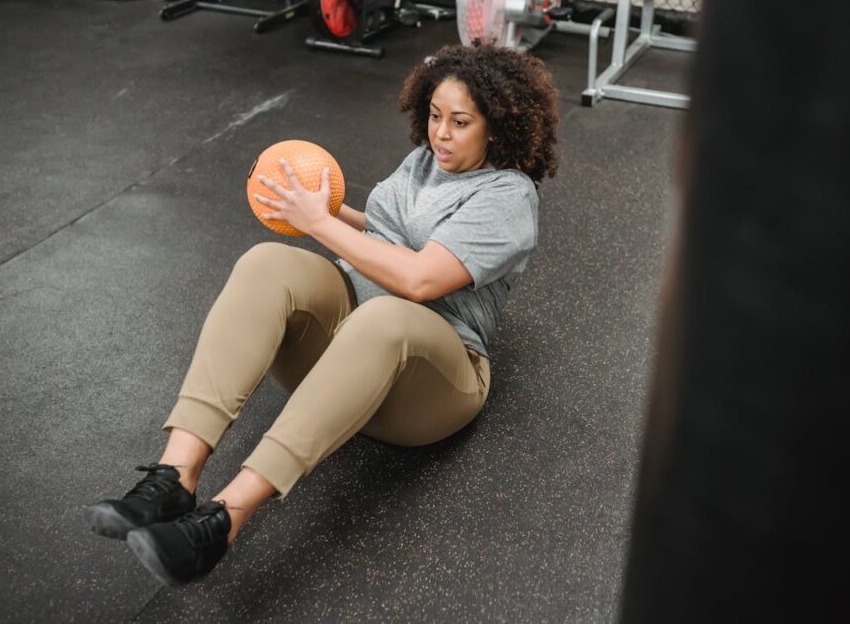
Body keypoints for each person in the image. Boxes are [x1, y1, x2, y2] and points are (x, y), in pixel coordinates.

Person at [85, 43, 560, 587]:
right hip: (347, 352)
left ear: (496, 127)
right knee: (267, 262)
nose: (440, 135)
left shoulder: (508, 196)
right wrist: (322, 206)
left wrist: (319, 224)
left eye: (460, 122)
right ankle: (175, 474)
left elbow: (418, 279)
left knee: (384, 319)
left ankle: (221, 522)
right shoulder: (426, 162)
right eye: (433, 116)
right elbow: (385, 235)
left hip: (427, 387)